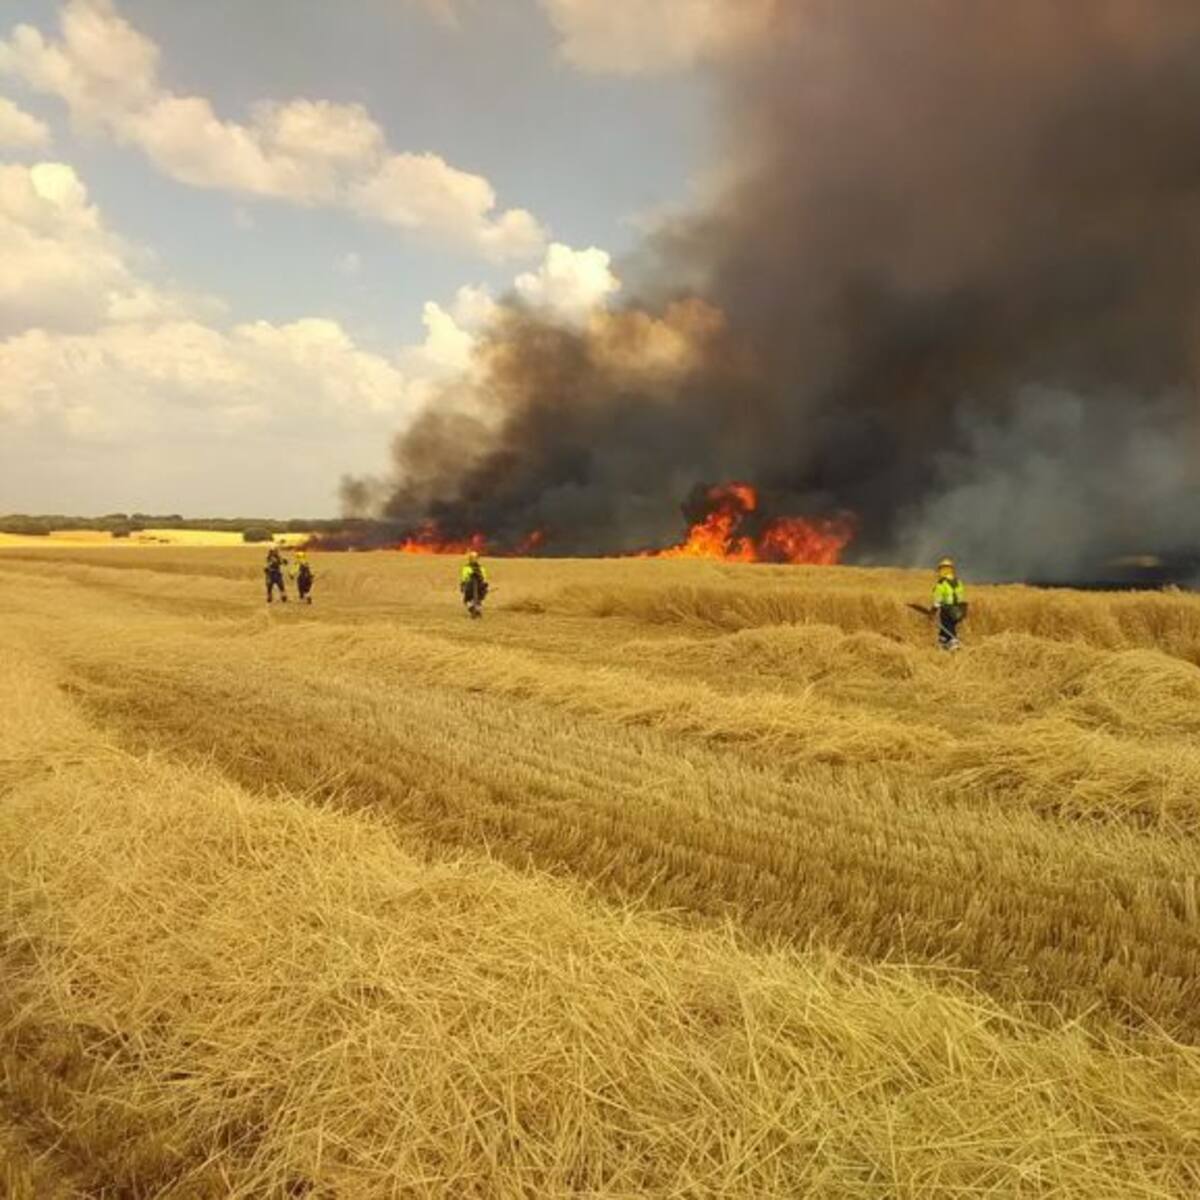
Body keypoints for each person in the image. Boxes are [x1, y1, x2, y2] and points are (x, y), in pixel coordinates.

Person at [932, 556, 967, 650]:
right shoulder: (958, 581)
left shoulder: (942, 583)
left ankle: (953, 642)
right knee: (946, 626)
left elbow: (938, 598)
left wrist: (933, 610)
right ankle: (942, 642)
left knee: (947, 626)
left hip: (947, 609)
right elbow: (960, 595)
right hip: (958, 610)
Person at [459, 549, 489, 618]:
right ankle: (476, 609)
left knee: (467, 599)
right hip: (477, 586)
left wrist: (463, 585)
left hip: (472, 587)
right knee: (478, 599)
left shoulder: (466, 568)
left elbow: (464, 578)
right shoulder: (481, 568)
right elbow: (484, 578)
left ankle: (474, 609)